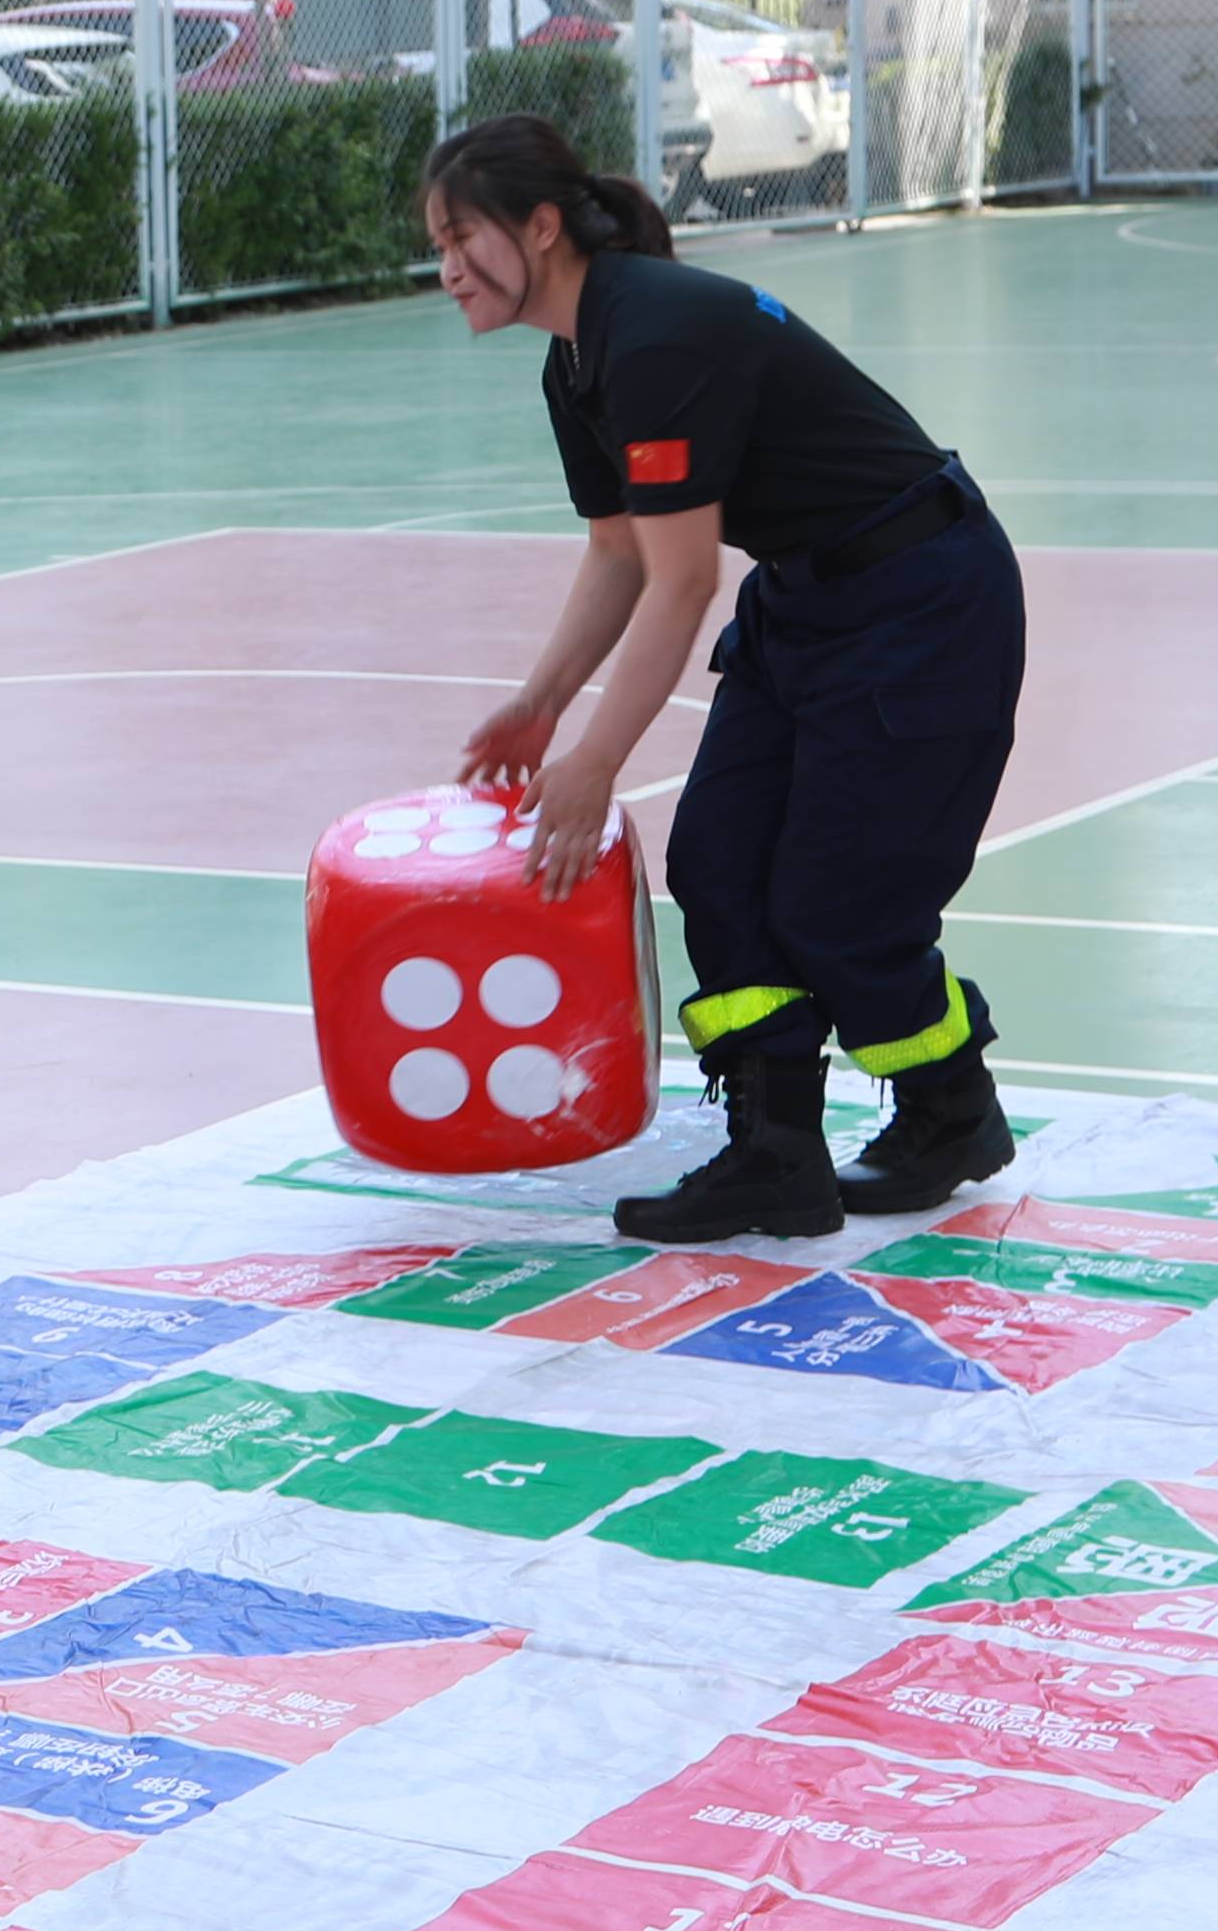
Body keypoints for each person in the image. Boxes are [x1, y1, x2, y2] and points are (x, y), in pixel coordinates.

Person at [428, 112, 1025, 1245]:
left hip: (922, 601)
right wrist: (541, 704)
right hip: (806, 600)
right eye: (439, 242)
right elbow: (617, 550)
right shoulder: (577, 359)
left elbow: (683, 579)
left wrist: (596, 761)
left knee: (837, 903)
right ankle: (775, 1154)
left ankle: (952, 1110)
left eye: (464, 238)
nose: (446, 268)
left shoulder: (653, 336)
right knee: (719, 864)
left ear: (541, 228)